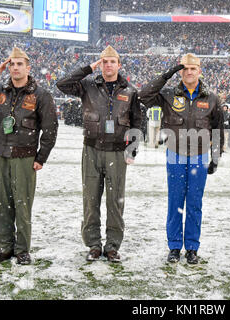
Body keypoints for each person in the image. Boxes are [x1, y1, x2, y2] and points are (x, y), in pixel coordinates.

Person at [0, 47, 58, 265]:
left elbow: (50, 129)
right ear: (8, 66)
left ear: (28, 67)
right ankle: (5, 247)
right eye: (12, 64)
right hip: (0, 154)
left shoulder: (41, 95)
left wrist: (41, 158)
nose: (15, 68)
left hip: (24, 157)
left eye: (20, 64)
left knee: (22, 205)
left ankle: (22, 249)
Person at [56, 46, 142, 263]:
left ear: (119, 64)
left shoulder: (130, 91)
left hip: (117, 152)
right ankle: (93, 244)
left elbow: (137, 122)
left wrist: (132, 149)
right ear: (99, 64)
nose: (108, 65)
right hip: (92, 149)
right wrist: (88, 68)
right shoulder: (87, 85)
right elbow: (62, 84)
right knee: (90, 199)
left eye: (112, 61)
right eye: (104, 61)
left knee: (115, 201)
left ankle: (112, 245)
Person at [139, 53, 224, 264]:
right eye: (184, 69)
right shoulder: (168, 94)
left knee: (195, 203)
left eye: (192, 69)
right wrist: (167, 74)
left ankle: (192, 248)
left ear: (199, 71)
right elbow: (144, 95)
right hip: (175, 154)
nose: (188, 72)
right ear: (180, 71)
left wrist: (215, 157)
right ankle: (175, 246)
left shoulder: (212, 99)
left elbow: (218, 130)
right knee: (175, 201)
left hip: (200, 156)